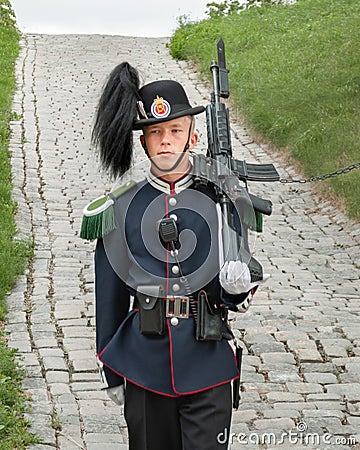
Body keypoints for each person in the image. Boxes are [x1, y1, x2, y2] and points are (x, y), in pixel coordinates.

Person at [80, 62, 267, 450]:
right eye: (156, 133)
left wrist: (236, 288)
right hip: (144, 365)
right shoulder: (119, 210)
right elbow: (109, 297)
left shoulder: (220, 199)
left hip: (208, 360)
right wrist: (110, 368)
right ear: (144, 141)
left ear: (191, 137)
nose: (166, 140)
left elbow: (241, 273)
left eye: (175, 131)